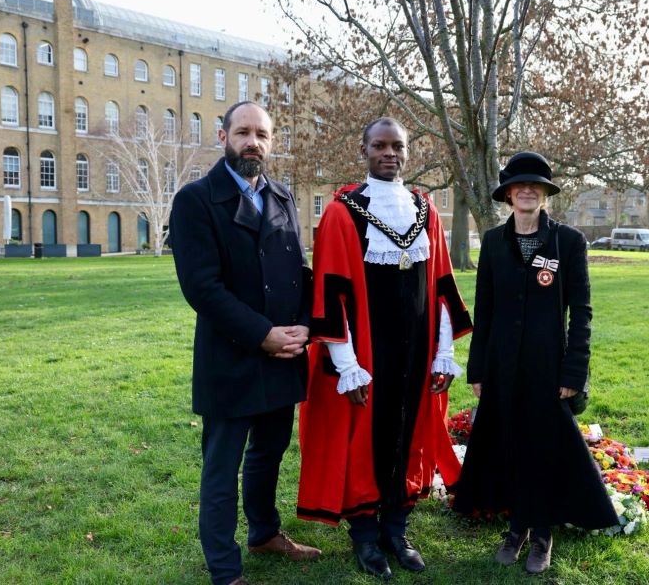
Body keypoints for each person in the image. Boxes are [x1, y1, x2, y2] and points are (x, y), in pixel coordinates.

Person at [296, 117, 472, 579]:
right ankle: (365, 537)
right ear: (364, 150)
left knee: (409, 435)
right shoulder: (343, 212)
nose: (389, 153)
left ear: (407, 152)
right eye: (379, 145)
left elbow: (441, 286)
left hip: (416, 350)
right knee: (362, 440)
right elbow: (332, 294)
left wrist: (443, 354)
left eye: (397, 146)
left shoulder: (426, 210)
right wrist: (347, 366)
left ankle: (397, 530)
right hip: (367, 354)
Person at [170, 101, 321, 585]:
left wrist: (304, 326)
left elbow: (298, 270)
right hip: (230, 357)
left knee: (269, 453)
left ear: (271, 142)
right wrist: (263, 335)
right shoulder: (195, 200)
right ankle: (225, 569)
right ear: (223, 137)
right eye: (243, 133)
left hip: (283, 356)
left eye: (262, 134)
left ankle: (264, 533)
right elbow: (202, 288)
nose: (252, 142)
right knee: (222, 467)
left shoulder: (282, 196)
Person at [452, 151, 619, 575]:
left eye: (535, 185)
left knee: (544, 447)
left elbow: (581, 312)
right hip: (502, 366)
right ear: (509, 194)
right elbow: (485, 309)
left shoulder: (568, 242)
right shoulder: (493, 242)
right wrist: (478, 369)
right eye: (519, 185)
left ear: (544, 193)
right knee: (510, 445)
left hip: (549, 368)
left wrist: (574, 371)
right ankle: (517, 527)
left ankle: (542, 533)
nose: (527, 190)